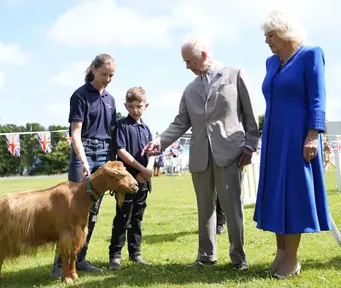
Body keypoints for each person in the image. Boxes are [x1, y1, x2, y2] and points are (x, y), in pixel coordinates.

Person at [142, 37, 259, 270]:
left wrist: (250, 144)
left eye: (189, 61)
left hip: (231, 153)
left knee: (232, 207)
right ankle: (206, 256)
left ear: (204, 55)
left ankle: (238, 258)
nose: (187, 67)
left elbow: (250, 114)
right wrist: (160, 141)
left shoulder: (235, 74)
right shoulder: (190, 88)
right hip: (200, 157)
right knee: (205, 209)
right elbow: (180, 122)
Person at [253, 10, 332, 279]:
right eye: (266, 36)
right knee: (276, 193)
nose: (267, 41)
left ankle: (292, 257)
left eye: (271, 35)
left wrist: (313, 135)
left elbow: (318, 98)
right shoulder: (271, 63)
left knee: (294, 195)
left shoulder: (311, 54)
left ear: (286, 32)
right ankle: (280, 252)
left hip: (299, 137)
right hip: (274, 139)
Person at [51, 53, 117, 278]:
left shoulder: (110, 100)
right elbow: (75, 133)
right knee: (72, 210)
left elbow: (111, 132)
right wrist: (83, 160)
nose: (107, 79)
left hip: (104, 153)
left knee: (93, 210)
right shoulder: (79, 96)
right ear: (93, 70)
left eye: (111, 75)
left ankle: (79, 258)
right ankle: (60, 264)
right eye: (103, 74)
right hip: (84, 150)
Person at [108, 87, 153, 270]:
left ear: (146, 106)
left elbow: (153, 153)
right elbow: (121, 151)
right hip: (126, 182)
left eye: (139, 106)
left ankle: (135, 253)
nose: (135, 110)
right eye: (132, 106)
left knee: (137, 217)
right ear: (126, 106)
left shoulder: (147, 129)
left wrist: (148, 171)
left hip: (143, 180)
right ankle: (115, 256)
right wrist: (141, 168)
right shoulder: (122, 126)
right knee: (123, 217)